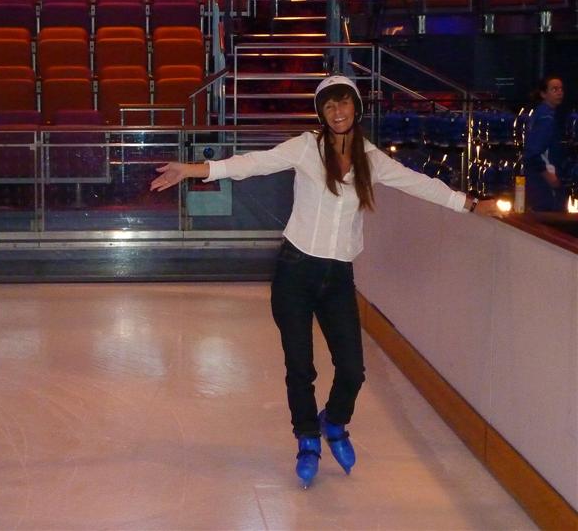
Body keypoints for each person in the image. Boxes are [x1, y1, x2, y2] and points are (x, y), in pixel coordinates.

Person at [150, 75, 498, 488]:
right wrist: (193, 169)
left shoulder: (371, 159)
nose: (337, 112)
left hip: (338, 278)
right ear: (321, 112)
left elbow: (418, 183)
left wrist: (470, 204)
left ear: (356, 107)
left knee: (353, 369)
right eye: (329, 106)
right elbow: (252, 163)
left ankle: (333, 421)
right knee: (301, 367)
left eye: (344, 103)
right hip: (295, 272)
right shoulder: (306, 147)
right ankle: (307, 438)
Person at [523, 75, 566, 212]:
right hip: (545, 184)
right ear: (543, 94)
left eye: (561, 89)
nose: (559, 92)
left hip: (539, 182)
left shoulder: (542, 114)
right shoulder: (546, 118)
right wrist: (549, 175)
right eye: (554, 89)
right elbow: (533, 152)